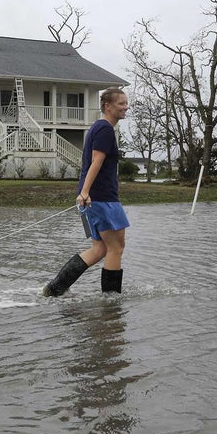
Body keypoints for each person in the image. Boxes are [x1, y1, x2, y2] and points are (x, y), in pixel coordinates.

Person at [44, 88, 129, 296]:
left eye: (126, 103)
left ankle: (54, 289)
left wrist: (84, 194)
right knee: (116, 247)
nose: (126, 107)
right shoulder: (105, 129)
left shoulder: (99, 129)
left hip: (94, 198)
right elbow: (95, 162)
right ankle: (111, 301)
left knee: (99, 249)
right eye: (121, 104)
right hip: (101, 198)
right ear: (107, 106)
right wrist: (85, 192)